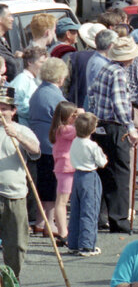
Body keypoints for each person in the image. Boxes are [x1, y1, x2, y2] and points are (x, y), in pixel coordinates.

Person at [87, 36, 138, 234]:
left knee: (105, 172)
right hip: (114, 126)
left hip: (101, 125)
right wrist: (131, 128)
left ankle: (103, 217)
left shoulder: (105, 68)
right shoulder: (119, 73)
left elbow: (91, 94)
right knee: (120, 174)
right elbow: (120, 104)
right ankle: (119, 221)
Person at [0, 86, 40, 278]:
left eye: (4, 108)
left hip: (14, 194)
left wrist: (17, 135)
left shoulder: (22, 129)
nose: (1, 111)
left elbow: (35, 150)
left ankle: (12, 283)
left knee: (16, 244)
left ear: (13, 111)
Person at [26, 56, 67, 236]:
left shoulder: (39, 91)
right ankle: (49, 223)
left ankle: (41, 222)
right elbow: (64, 119)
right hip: (52, 147)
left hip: (40, 143)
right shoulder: (54, 95)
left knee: (43, 185)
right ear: (60, 77)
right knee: (51, 188)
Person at [66, 112, 104, 257]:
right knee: (90, 210)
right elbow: (102, 162)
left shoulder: (75, 141)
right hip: (89, 175)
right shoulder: (92, 145)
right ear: (93, 129)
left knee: (76, 210)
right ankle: (87, 245)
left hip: (77, 175)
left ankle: (73, 243)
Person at [49, 101, 80, 243]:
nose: (75, 117)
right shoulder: (64, 129)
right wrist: (82, 114)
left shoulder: (60, 128)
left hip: (67, 167)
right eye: (72, 115)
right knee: (61, 201)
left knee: (64, 200)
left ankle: (65, 231)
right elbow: (82, 129)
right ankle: (63, 233)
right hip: (65, 168)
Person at [0, 5, 18, 78]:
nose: (12, 19)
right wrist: (19, 59)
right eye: (9, 16)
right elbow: (12, 67)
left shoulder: (3, 39)